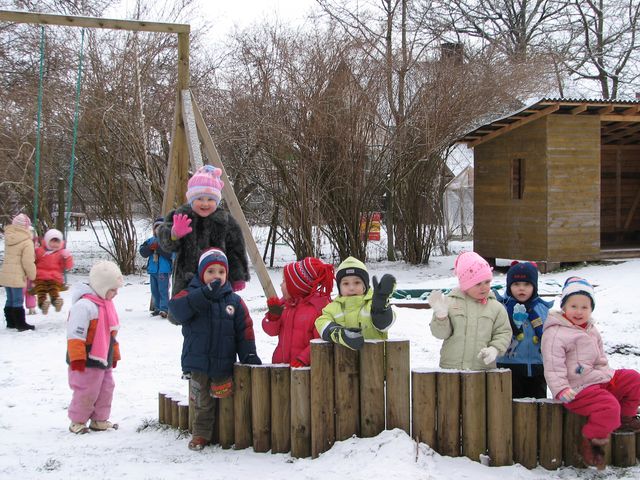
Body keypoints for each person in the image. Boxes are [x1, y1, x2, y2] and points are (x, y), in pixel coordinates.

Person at [542, 277, 640, 469]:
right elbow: (553, 365)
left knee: (634, 380)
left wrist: (609, 377)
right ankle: (591, 442)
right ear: (564, 307)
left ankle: (625, 419)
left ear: (591, 309)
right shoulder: (556, 333)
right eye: (574, 306)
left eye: (584, 307)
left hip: (599, 381)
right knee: (609, 407)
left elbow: (601, 359)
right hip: (576, 389)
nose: (579, 312)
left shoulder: (591, 329)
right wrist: (561, 389)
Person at [168, 248, 261, 451]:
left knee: (224, 396)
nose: (216, 276)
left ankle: (226, 433)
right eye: (211, 271)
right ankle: (200, 434)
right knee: (202, 402)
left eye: (221, 272)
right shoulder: (192, 295)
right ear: (202, 274)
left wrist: (249, 353)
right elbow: (176, 310)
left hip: (223, 362)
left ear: (227, 274)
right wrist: (203, 294)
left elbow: (244, 330)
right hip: (198, 362)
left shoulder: (234, 301)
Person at [156, 165, 249, 305]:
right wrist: (173, 234)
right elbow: (166, 244)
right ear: (191, 199)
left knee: (217, 314)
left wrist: (237, 276)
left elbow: (236, 249)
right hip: (188, 281)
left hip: (218, 279)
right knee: (190, 317)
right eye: (200, 198)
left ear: (217, 201)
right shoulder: (182, 215)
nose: (205, 203)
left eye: (210, 199)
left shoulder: (225, 221)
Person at [67, 260, 124, 434]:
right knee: (86, 390)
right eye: (112, 290)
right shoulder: (85, 307)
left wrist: (114, 354)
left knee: (107, 388)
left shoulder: (106, 305)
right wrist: (77, 358)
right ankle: (77, 421)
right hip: (85, 357)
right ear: (101, 286)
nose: (115, 294)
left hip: (103, 355)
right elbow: (75, 334)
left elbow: (111, 334)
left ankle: (99, 419)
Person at [428, 251, 511, 370]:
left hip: (482, 369)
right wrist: (441, 317)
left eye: (487, 282)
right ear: (465, 284)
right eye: (477, 284)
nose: (484, 287)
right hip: (452, 369)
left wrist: (494, 349)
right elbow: (440, 334)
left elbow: (503, 332)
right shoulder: (450, 303)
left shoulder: (495, 307)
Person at [496, 261, 553, 398]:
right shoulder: (502, 308)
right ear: (509, 286)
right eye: (516, 284)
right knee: (510, 406)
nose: (521, 288)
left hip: (537, 367)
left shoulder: (543, 309)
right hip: (509, 367)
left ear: (535, 286)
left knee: (538, 408)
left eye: (527, 284)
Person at [262, 257, 334, 366]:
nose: (281, 285)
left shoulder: (318, 309)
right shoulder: (284, 304)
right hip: (281, 367)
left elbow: (321, 341)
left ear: (297, 287)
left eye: (285, 281)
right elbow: (271, 331)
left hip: (306, 370)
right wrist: (273, 316)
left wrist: (303, 359)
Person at [314, 256, 396, 351]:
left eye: (357, 282)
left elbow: (384, 325)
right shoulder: (332, 309)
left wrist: (380, 309)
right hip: (343, 361)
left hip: (375, 360)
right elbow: (321, 324)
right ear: (339, 287)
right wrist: (341, 334)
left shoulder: (372, 305)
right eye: (346, 284)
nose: (351, 288)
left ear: (365, 286)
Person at [0, 213, 37, 331]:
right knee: (18, 300)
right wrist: (32, 275)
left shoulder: (9, 237)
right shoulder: (27, 242)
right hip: (18, 275)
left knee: (10, 299)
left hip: (6, 274)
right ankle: (21, 324)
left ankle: (11, 322)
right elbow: (28, 261)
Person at [33, 228, 73, 314]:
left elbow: (68, 266)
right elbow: (33, 260)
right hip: (40, 277)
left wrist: (67, 257)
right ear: (47, 241)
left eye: (57, 242)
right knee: (41, 290)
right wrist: (34, 249)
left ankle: (56, 302)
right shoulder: (40, 251)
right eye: (52, 241)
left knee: (54, 290)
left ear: (61, 242)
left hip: (54, 278)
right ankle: (43, 304)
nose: (55, 245)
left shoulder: (61, 253)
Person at [139, 217, 173, 318]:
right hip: (153, 270)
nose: (158, 230)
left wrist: (158, 248)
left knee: (163, 290)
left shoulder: (168, 241)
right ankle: (157, 308)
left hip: (164, 270)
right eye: (156, 228)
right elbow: (142, 252)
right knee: (154, 290)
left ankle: (164, 309)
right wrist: (149, 248)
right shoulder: (150, 241)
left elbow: (171, 254)